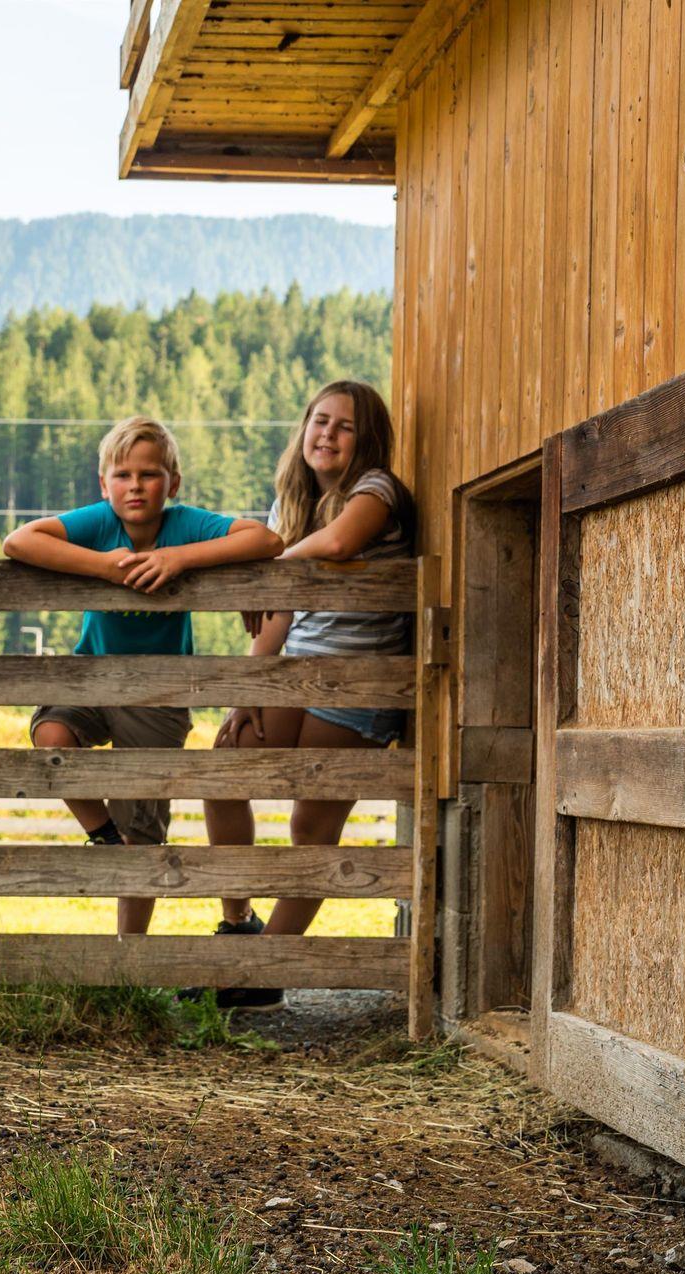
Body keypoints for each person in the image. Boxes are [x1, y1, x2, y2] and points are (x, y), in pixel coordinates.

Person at [2, 416, 282, 936]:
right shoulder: (98, 523)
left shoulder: (184, 525)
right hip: (92, 680)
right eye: (123, 475)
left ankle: (129, 952)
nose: (135, 486)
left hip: (159, 693)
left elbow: (266, 538)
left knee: (143, 835)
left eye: (150, 475)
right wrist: (105, 568)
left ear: (172, 484)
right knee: (51, 737)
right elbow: (19, 541)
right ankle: (104, 836)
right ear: (103, 483)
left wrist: (178, 558)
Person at [200, 378, 416, 1008]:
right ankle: (239, 923)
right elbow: (279, 614)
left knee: (311, 824)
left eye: (344, 426)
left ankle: (262, 972)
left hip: (359, 681)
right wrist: (247, 688)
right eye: (319, 421)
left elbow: (341, 542)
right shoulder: (290, 506)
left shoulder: (377, 491)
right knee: (223, 770)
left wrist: (275, 566)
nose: (327, 434)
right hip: (296, 671)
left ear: (366, 439)